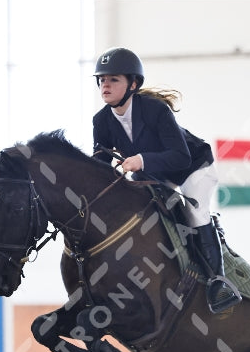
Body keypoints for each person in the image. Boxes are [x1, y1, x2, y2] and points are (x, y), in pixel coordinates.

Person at [91, 46, 241, 314]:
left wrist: (141, 160)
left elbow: (180, 157)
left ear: (133, 84)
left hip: (193, 168)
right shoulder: (101, 121)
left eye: (113, 79)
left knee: (194, 213)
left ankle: (218, 283)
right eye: (102, 80)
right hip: (153, 175)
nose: (105, 85)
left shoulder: (155, 110)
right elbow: (100, 166)